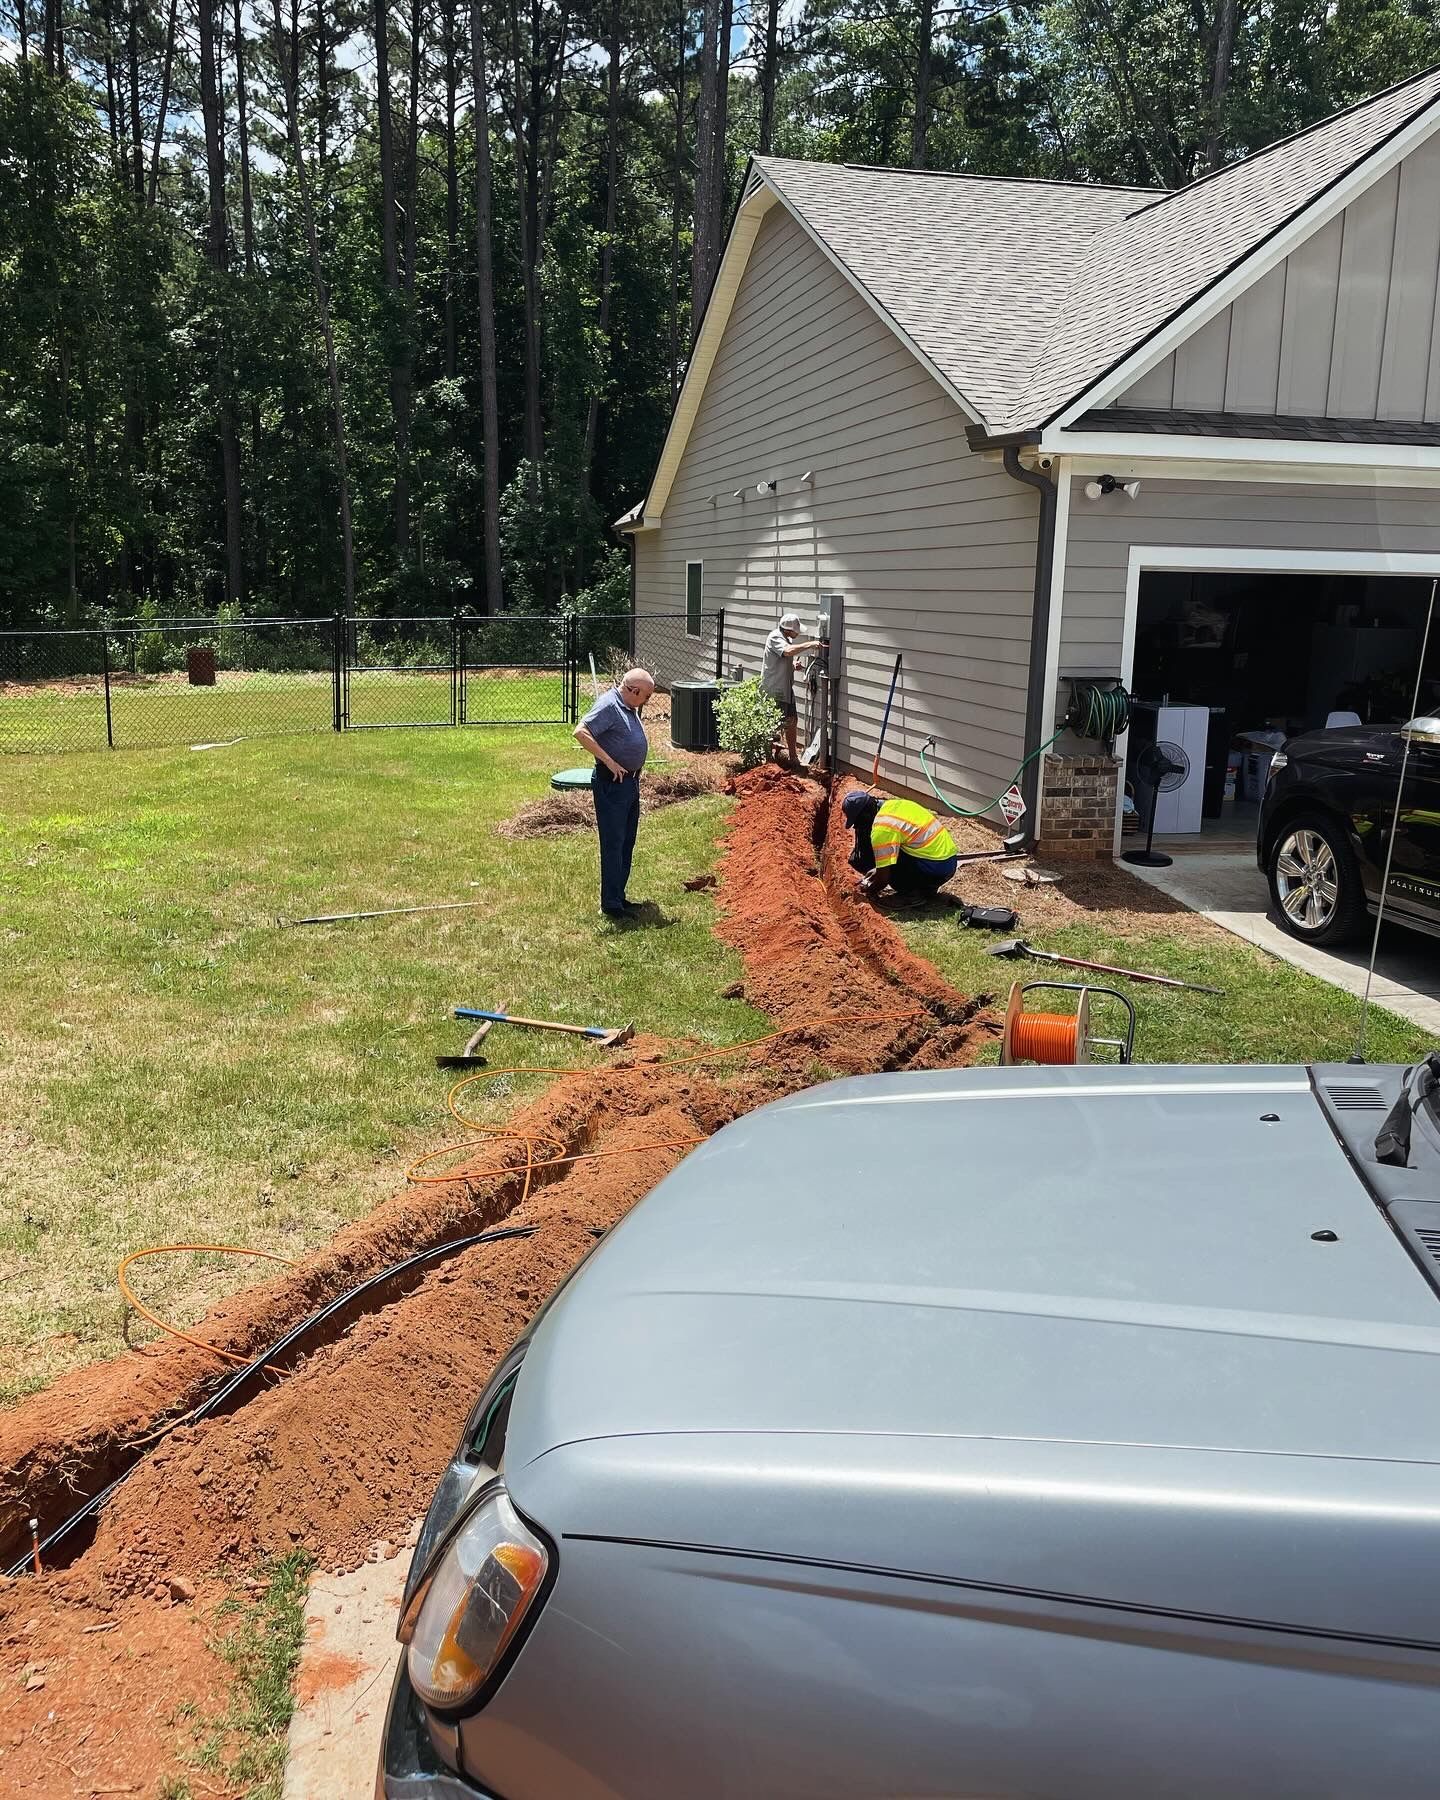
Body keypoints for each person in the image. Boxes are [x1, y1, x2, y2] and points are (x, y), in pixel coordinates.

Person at [574, 668, 656, 920]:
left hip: (629, 783)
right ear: (633, 690)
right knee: (613, 843)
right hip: (613, 784)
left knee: (626, 841)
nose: (647, 701)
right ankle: (610, 904)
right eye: (646, 696)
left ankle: (618, 897)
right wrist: (609, 761)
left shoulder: (627, 706)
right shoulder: (609, 705)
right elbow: (580, 732)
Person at [842, 787, 959, 900]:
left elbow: (883, 880)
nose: (858, 827)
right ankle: (925, 889)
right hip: (948, 862)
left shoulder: (882, 829)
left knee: (891, 871)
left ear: (865, 815)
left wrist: (870, 890)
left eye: (858, 823)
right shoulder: (893, 805)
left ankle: (913, 894)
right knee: (889, 856)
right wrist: (878, 869)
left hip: (936, 869)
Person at [760, 612, 823, 765]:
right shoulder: (775, 637)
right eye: (796, 631)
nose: (798, 633)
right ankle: (767, 760)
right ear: (788, 630)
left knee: (792, 720)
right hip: (775, 689)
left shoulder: (784, 638)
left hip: (785, 688)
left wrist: (792, 665)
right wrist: (809, 644)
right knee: (772, 724)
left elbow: (782, 657)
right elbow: (787, 651)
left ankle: (793, 757)